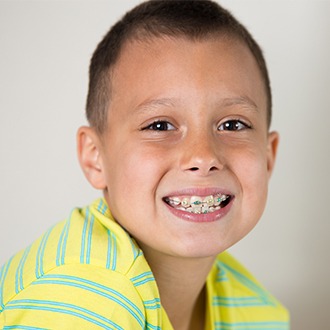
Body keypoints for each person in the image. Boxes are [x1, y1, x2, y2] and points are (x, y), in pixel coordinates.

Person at [0, 1, 290, 329]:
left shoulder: (258, 310)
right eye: (160, 126)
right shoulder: (81, 302)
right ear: (95, 156)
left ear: (268, 157)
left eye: (233, 125)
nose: (202, 156)